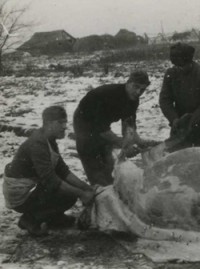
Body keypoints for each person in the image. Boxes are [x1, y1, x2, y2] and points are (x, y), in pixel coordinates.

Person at [3, 106, 95, 236]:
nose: (64, 126)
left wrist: (86, 187)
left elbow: (62, 170)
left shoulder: (49, 140)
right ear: (48, 124)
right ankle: (30, 219)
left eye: (65, 122)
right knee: (68, 194)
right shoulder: (38, 143)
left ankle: (53, 217)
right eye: (60, 122)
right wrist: (81, 194)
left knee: (69, 189)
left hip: (31, 187)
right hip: (21, 195)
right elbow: (51, 180)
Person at [73, 70, 151, 186]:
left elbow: (128, 123)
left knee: (108, 161)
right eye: (136, 87)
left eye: (143, 89)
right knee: (91, 155)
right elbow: (101, 130)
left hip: (103, 123)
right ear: (128, 83)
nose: (138, 92)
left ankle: (109, 181)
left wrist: (134, 142)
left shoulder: (133, 99)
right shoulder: (110, 95)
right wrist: (122, 143)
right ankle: (97, 187)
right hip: (84, 121)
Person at [159, 43, 200, 150]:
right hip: (180, 127)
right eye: (176, 66)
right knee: (178, 161)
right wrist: (174, 119)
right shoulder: (171, 74)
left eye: (182, 66)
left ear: (190, 62)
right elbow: (165, 100)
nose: (179, 69)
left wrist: (191, 122)